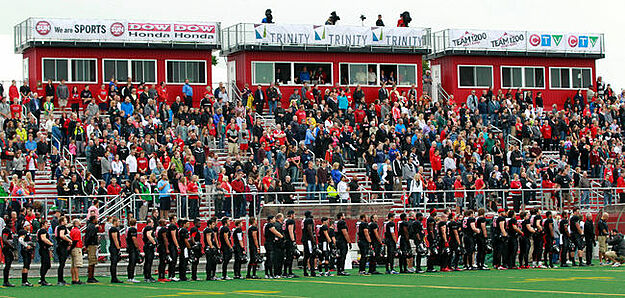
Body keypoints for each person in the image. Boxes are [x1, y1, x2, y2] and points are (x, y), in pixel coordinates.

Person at [55, 216, 71, 285]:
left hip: (62, 246)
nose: (66, 221)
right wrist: (69, 240)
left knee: (62, 263)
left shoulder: (62, 227)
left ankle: (61, 279)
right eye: (65, 220)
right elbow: (61, 235)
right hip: (62, 247)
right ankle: (60, 280)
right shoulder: (62, 227)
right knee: (62, 263)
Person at [17, 222, 34, 287]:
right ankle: (24, 281)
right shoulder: (23, 232)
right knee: (26, 265)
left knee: (27, 265)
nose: (29, 226)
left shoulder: (27, 233)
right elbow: (20, 239)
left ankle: (25, 280)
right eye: (28, 225)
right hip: (25, 251)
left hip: (28, 251)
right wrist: (26, 245)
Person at [37, 220, 53, 286]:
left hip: (44, 249)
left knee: (46, 264)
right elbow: (43, 238)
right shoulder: (43, 231)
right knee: (45, 264)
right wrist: (51, 243)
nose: (47, 225)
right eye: (46, 224)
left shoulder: (41, 231)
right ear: (43, 224)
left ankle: (42, 278)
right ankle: (42, 279)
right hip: (44, 248)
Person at [84, 215, 99, 283]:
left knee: (92, 261)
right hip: (91, 245)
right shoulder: (92, 226)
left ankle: (91, 276)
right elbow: (90, 236)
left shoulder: (90, 226)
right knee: (92, 261)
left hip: (91, 244)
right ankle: (90, 277)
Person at [283, 210, 297, 278]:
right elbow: (290, 231)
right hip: (289, 240)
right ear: (291, 215)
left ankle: (286, 271)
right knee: (290, 256)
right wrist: (293, 240)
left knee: (288, 256)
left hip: (286, 240)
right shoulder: (290, 221)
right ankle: (289, 272)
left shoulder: (285, 221)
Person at [69, 219, 84, 285]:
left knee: (73, 264)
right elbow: (75, 240)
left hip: (73, 248)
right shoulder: (77, 231)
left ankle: (73, 278)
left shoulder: (72, 230)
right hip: (77, 248)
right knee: (76, 264)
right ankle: (77, 279)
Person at [142, 218, 157, 282]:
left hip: (147, 246)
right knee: (149, 261)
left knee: (147, 261)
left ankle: (147, 275)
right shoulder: (149, 228)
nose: (153, 224)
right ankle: (148, 276)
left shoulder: (145, 228)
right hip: (149, 246)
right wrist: (154, 242)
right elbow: (148, 235)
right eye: (152, 223)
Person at [108, 217, 122, 283]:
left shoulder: (113, 229)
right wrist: (118, 247)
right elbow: (115, 239)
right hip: (114, 247)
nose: (119, 223)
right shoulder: (113, 229)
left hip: (113, 247)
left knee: (114, 263)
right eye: (118, 221)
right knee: (114, 262)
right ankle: (114, 277)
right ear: (115, 222)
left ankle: (114, 277)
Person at [301, 211, 316, 277]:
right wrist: (313, 239)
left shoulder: (304, 220)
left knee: (306, 255)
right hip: (308, 239)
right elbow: (309, 229)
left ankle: (305, 271)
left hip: (305, 239)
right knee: (311, 255)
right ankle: (312, 271)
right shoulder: (309, 220)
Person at [2, 219, 15, 287]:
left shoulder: (9, 230)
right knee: (7, 265)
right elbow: (4, 239)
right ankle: (5, 281)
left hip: (8, 249)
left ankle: (6, 280)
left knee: (9, 264)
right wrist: (11, 246)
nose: (12, 224)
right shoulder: (6, 230)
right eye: (11, 223)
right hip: (7, 249)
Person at [126, 218, 140, 283]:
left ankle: (130, 276)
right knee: (132, 262)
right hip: (132, 247)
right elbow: (134, 238)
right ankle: (131, 277)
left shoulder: (128, 229)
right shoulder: (133, 229)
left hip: (129, 246)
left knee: (131, 262)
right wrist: (137, 247)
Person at [167, 215, 180, 281]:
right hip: (172, 245)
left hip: (171, 244)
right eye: (175, 218)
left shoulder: (170, 226)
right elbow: (173, 236)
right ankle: (172, 275)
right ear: (172, 220)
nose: (176, 220)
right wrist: (177, 245)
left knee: (172, 261)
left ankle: (170, 275)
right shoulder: (173, 226)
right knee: (173, 260)